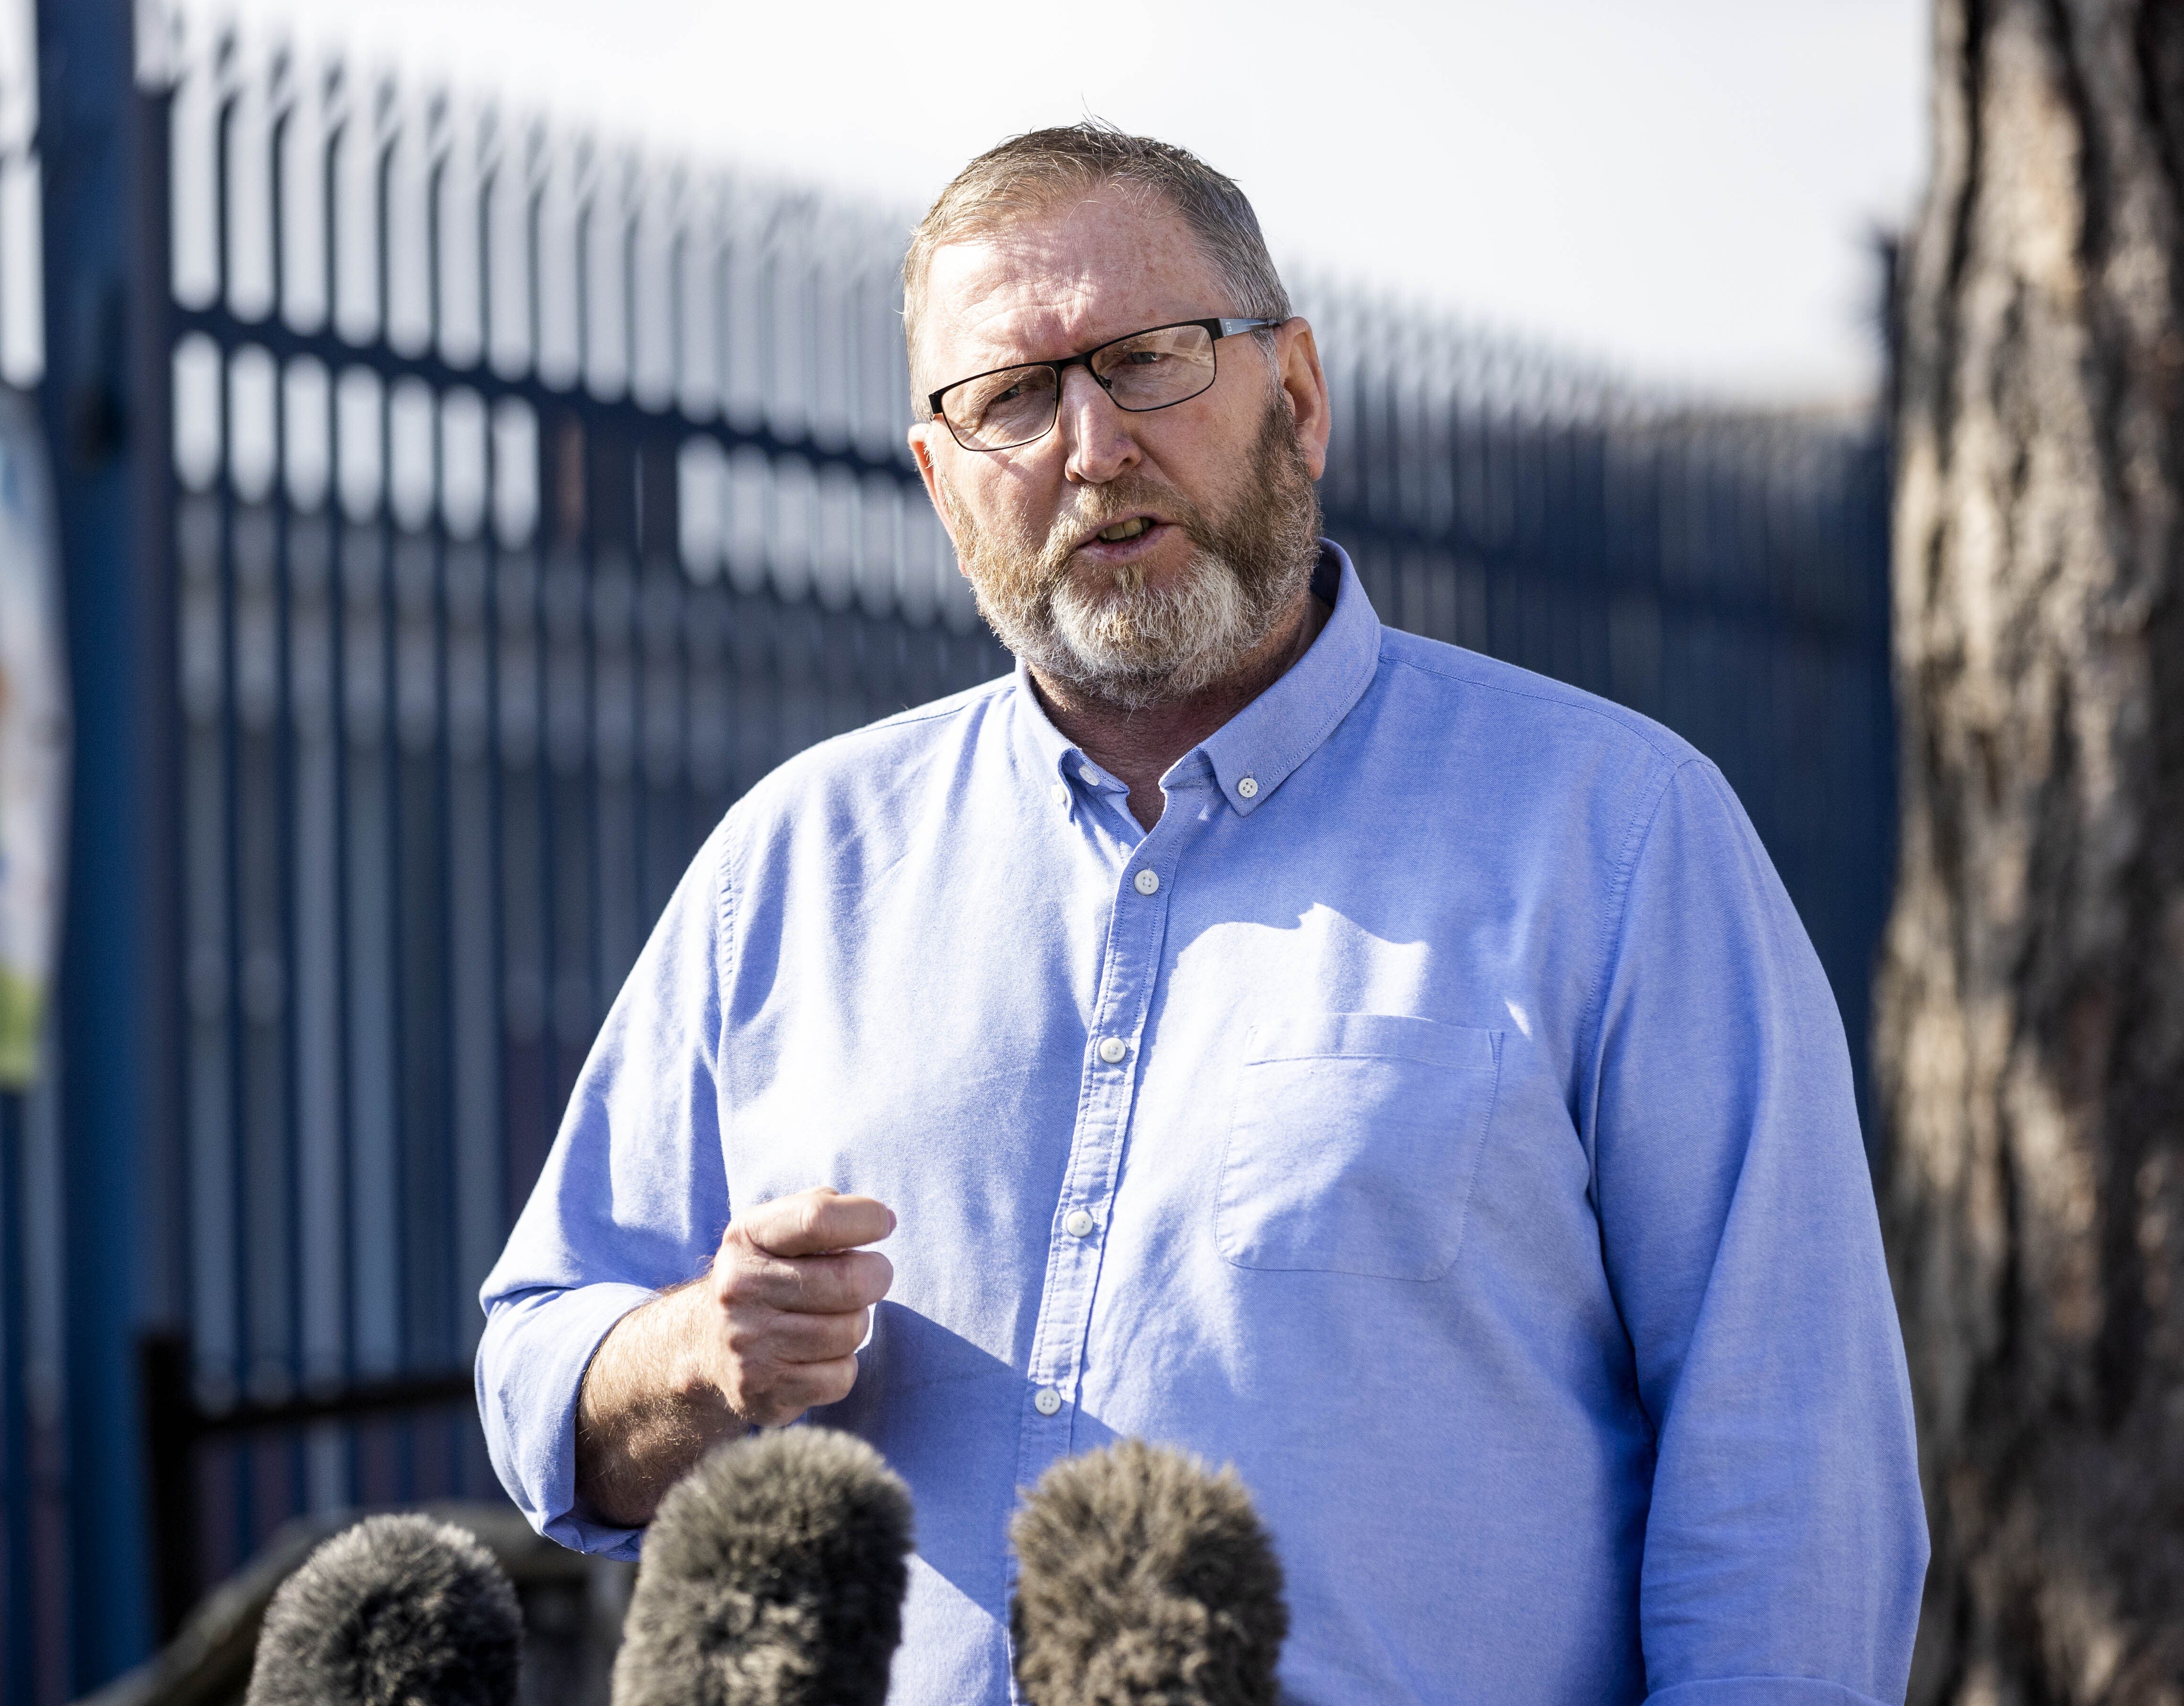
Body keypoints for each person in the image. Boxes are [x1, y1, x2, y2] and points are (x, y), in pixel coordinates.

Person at [477, 123, 1928, 1705]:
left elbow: (1792, 1476)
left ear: (1295, 396)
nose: (1090, 444)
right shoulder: (796, 860)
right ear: (939, 480)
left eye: (1150, 359)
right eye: (1011, 399)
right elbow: (539, 1367)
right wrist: (699, 1355)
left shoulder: (1618, 835)